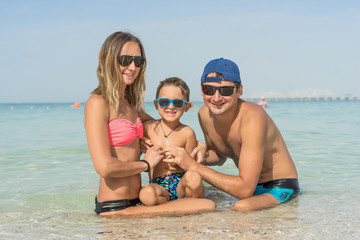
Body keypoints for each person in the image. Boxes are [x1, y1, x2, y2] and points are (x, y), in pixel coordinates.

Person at [84, 31, 215, 216]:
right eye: (125, 60)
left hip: (139, 202)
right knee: (207, 206)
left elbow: (165, 127)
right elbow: (104, 167)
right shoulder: (98, 103)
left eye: (138, 62)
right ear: (109, 59)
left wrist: (198, 145)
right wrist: (146, 164)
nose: (132, 67)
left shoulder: (131, 105)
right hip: (114, 206)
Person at [164, 58, 299, 212]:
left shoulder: (252, 117)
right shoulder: (204, 114)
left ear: (239, 90)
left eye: (225, 90)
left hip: (278, 187)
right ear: (201, 89)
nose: (216, 98)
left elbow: (245, 190)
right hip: (247, 189)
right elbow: (220, 156)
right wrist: (199, 154)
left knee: (240, 207)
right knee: (190, 195)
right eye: (209, 89)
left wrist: (193, 166)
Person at [139, 77, 205, 206]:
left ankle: (190, 206)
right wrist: (139, 143)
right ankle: (169, 206)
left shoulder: (187, 132)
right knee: (146, 193)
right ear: (156, 104)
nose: (170, 106)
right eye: (164, 102)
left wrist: (183, 159)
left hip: (181, 183)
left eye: (178, 103)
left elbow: (192, 166)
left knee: (194, 178)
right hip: (158, 186)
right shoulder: (148, 128)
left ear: (186, 106)